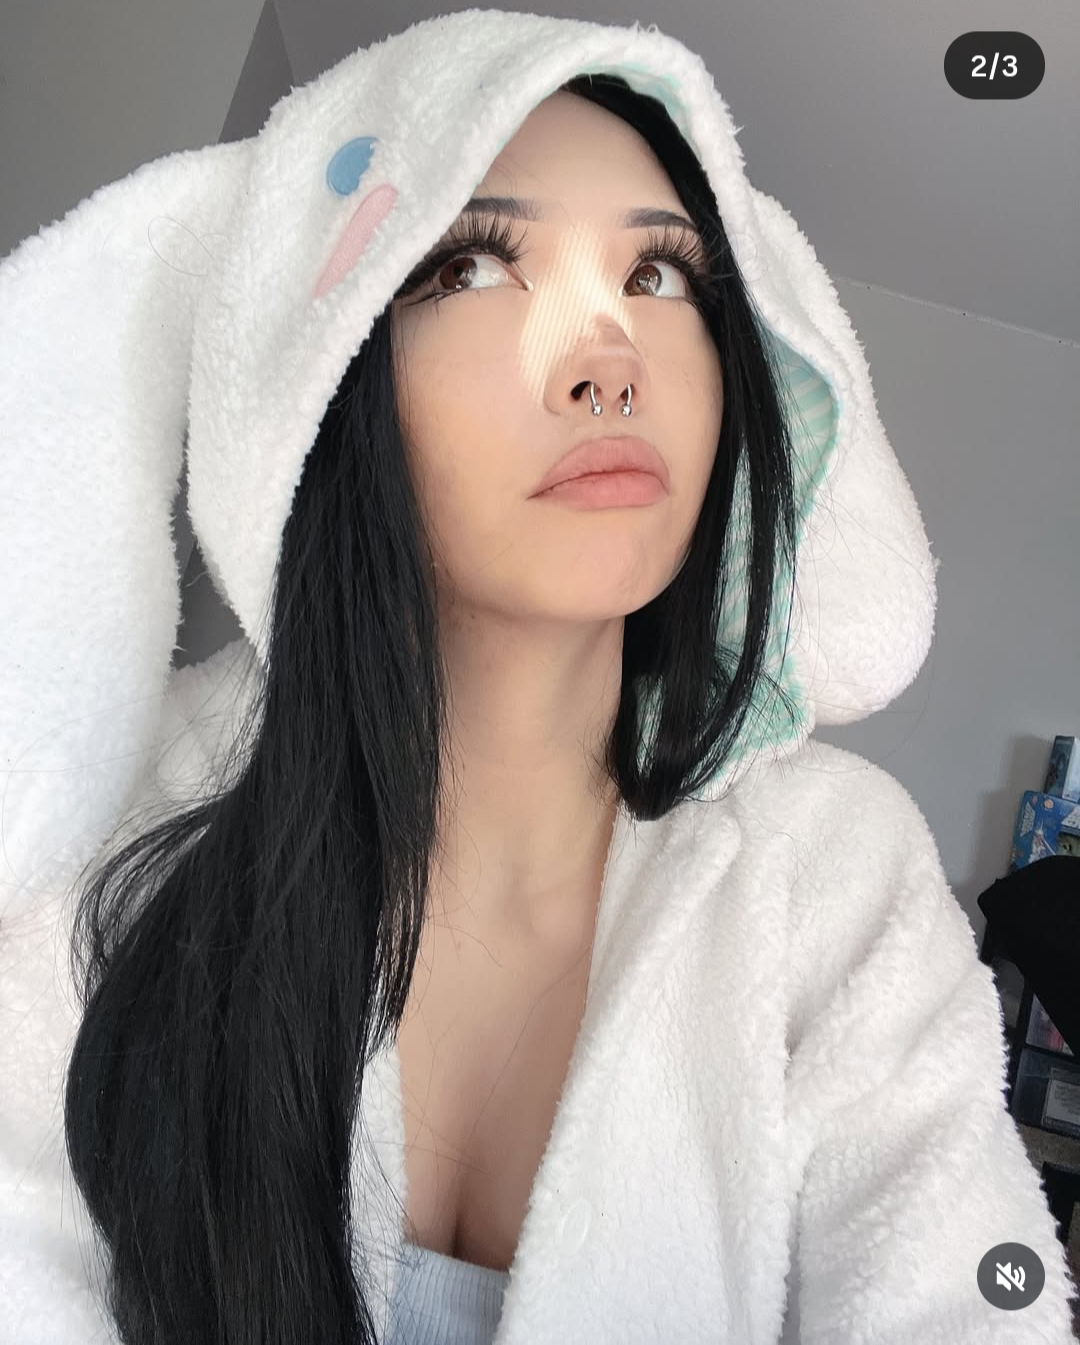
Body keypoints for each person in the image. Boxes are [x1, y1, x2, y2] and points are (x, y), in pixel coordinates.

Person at [0, 11, 1074, 1345]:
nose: (608, 359)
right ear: (317, 370)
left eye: (661, 274)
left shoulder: (839, 875)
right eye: (472, 264)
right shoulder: (113, 829)